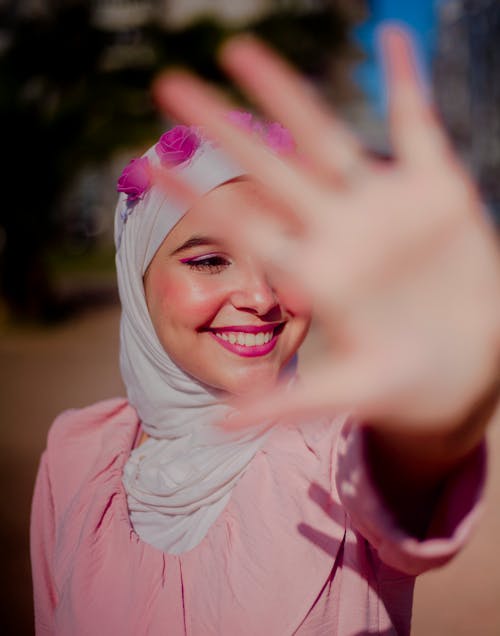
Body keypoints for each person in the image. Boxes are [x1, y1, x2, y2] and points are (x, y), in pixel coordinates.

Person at [30, 26, 499, 635]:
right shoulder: (74, 453)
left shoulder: (336, 451)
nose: (260, 298)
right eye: (207, 261)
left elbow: (407, 471)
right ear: (136, 281)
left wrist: (442, 411)